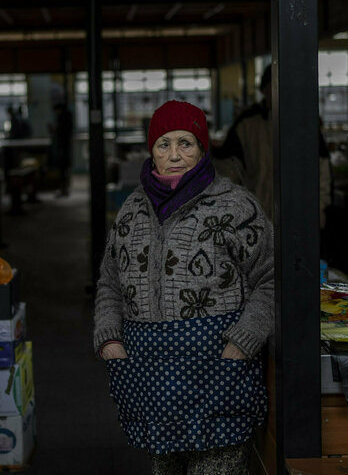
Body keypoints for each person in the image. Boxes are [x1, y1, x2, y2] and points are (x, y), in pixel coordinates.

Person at [93, 100, 273, 474]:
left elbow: (271, 281)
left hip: (218, 376)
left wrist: (241, 344)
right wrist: (110, 341)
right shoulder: (130, 211)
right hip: (150, 383)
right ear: (151, 151)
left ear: (202, 148)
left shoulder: (237, 206)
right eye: (164, 144)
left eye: (185, 143)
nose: (174, 154)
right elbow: (109, 282)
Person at [212, 65, 331, 228]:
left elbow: (321, 169)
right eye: (273, 86)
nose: (278, 91)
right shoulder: (247, 124)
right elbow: (228, 171)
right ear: (264, 89)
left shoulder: (305, 122)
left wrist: (318, 207)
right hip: (256, 219)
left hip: (301, 219)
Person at [49, 102, 73, 196]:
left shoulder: (63, 120)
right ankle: (64, 189)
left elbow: (60, 131)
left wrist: (54, 129)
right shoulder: (67, 119)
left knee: (63, 169)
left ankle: (63, 189)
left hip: (63, 148)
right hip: (65, 147)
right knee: (65, 169)